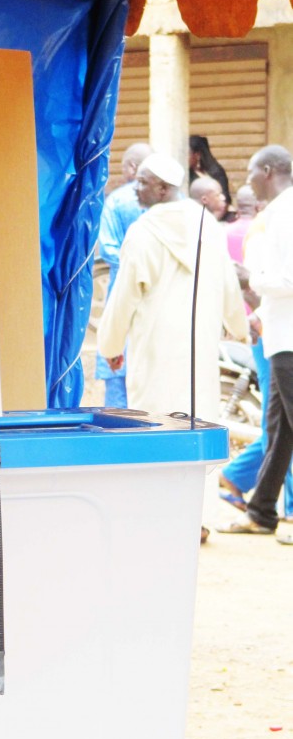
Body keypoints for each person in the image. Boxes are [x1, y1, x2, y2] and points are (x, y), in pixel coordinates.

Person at [97, 152, 248, 542]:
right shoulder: (208, 228)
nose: (137, 189)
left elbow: (124, 296)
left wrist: (110, 344)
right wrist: (238, 326)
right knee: (200, 426)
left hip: (154, 351)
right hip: (199, 354)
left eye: (143, 182)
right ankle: (197, 518)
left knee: (156, 427)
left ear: (163, 188)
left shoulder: (143, 232)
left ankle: (160, 516)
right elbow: (229, 285)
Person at [217, 144, 293, 541]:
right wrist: (261, 314)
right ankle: (262, 512)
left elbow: (288, 279)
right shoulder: (278, 212)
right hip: (280, 335)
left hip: (291, 342)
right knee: (280, 428)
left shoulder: (285, 212)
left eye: (249, 173)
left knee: (286, 426)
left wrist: (251, 280)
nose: (246, 181)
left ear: (267, 170)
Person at [94, 142, 153, 407]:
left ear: (131, 166)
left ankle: (119, 439)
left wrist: (132, 268)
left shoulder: (117, 200)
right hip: (156, 297)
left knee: (117, 374)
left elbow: (107, 248)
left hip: (122, 291)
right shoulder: (170, 204)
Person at [189, 134, 232, 208]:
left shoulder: (216, 172)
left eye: (187, 154)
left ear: (197, 155)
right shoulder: (188, 173)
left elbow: (225, 200)